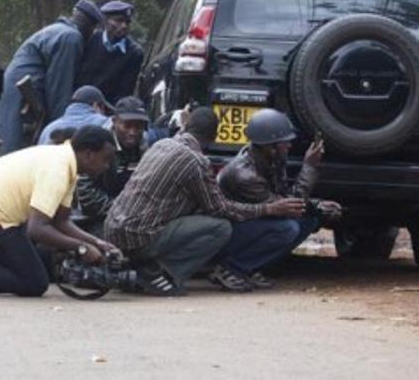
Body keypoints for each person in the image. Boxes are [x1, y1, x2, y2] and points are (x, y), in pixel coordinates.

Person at [104, 107, 286, 296]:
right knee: (220, 228)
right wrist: (268, 209)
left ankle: (141, 265)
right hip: (138, 237)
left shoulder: (161, 144)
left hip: (113, 230)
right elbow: (220, 208)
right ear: (214, 136)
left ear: (187, 125)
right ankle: (162, 275)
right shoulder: (196, 162)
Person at [0, 125, 121, 298]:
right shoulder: (58, 168)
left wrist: (95, 242)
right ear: (89, 154)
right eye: (106, 159)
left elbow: (61, 222)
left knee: (42, 257)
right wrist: (81, 248)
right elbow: (37, 229)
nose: (106, 166)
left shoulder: (65, 162)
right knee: (34, 283)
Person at [214, 108, 341, 291]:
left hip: (252, 222)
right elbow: (286, 208)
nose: (289, 146)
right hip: (231, 230)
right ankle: (231, 268)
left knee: (310, 220)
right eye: (284, 143)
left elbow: (286, 199)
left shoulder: (272, 160)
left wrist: (318, 206)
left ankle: (252, 267)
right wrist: (309, 167)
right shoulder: (245, 175)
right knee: (287, 228)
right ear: (269, 146)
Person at [0, 0, 105, 154]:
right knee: (15, 150)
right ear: (91, 27)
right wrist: (59, 135)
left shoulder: (57, 29)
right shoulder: (71, 38)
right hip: (23, 95)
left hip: (14, 92)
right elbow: (59, 90)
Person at [74, 96, 154, 236]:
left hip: (129, 212)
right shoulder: (96, 143)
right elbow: (85, 193)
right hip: (93, 217)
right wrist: (123, 208)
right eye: (127, 125)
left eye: (138, 126)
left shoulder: (144, 143)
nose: (133, 132)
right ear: (114, 122)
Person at [75, 0, 144, 103]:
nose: (124, 26)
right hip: (79, 104)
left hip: (108, 110)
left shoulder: (134, 53)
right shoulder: (90, 40)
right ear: (106, 21)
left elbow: (125, 92)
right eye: (119, 21)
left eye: (127, 22)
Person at [37, 85, 111, 145]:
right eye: (104, 109)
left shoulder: (48, 129)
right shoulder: (105, 123)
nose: (104, 114)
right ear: (96, 105)